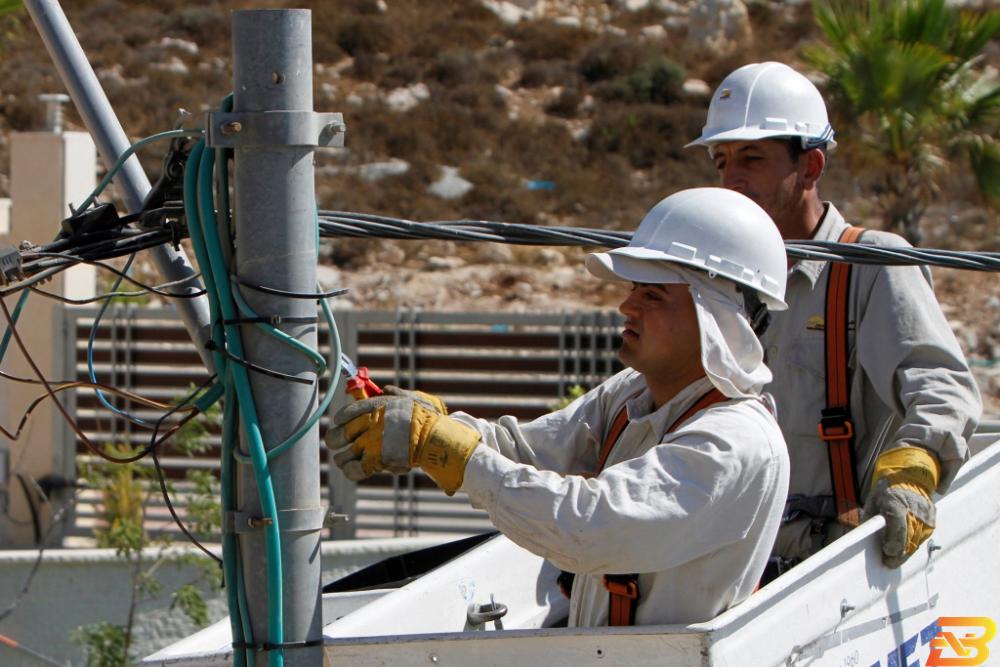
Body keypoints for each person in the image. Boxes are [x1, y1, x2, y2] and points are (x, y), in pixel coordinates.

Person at [327, 187, 790, 627]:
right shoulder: (633, 394)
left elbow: (588, 527)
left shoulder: (737, 443)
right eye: (633, 287)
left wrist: (449, 449)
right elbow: (524, 451)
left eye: (652, 294)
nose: (627, 306)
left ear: (717, 320)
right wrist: (436, 429)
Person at [686, 62, 982, 571]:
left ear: (811, 166)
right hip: (728, 563)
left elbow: (942, 388)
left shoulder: (869, 266)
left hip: (834, 570)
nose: (731, 179)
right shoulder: (717, 283)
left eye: (752, 158)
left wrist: (912, 471)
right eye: (721, 161)